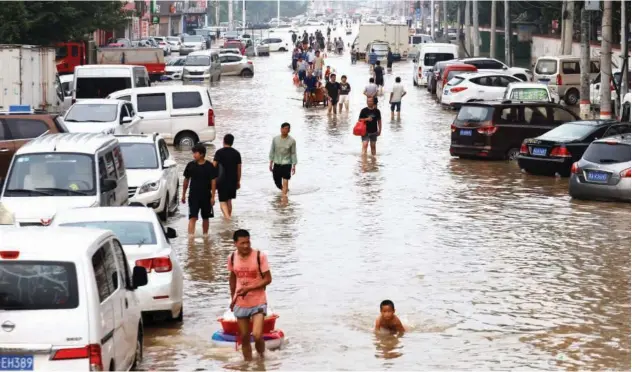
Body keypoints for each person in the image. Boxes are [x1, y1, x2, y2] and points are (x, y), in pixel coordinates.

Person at [228, 229, 272, 361]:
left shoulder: (260, 256)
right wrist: (232, 298)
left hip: (258, 301)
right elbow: (232, 278)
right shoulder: (232, 257)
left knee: (258, 335)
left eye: (248, 242)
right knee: (245, 336)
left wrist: (250, 288)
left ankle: (261, 359)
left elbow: (268, 279)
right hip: (241, 302)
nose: (246, 246)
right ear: (235, 243)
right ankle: (248, 365)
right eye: (242, 243)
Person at [181, 144, 217, 239]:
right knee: (193, 217)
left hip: (206, 196)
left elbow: (213, 182)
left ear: (201, 154)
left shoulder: (210, 166)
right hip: (193, 196)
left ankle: (205, 237)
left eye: (195, 153)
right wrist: (183, 194)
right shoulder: (190, 165)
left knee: (206, 217)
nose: (194, 155)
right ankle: (191, 239)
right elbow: (186, 180)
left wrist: (213, 197)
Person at [212, 134, 242, 219]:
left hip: (222, 180)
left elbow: (214, 165)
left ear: (223, 141)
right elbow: (239, 169)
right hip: (233, 180)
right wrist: (238, 181)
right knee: (229, 200)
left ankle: (227, 218)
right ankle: (228, 217)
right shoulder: (237, 153)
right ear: (232, 142)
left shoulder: (219, 152)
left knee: (222, 201)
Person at [268, 123, 297, 196]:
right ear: (281, 129)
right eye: (284, 128)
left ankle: (284, 200)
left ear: (289, 130)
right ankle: (285, 190)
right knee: (277, 182)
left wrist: (294, 166)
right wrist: (271, 163)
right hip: (277, 163)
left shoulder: (292, 141)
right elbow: (272, 151)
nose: (285, 130)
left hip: (287, 164)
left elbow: (293, 153)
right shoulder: (275, 139)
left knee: (285, 179)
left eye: (287, 129)